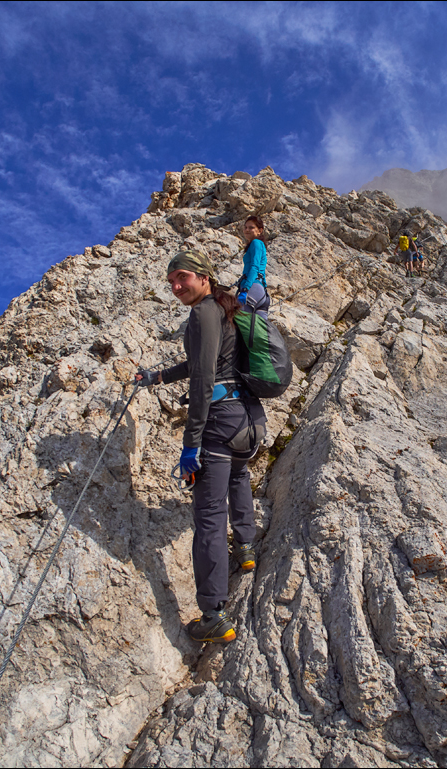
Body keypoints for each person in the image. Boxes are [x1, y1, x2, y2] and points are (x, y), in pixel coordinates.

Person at [136, 249, 266, 644]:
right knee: (239, 474)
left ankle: (213, 613)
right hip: (250, 422)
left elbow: (203, 380)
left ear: (204, 277)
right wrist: (158, 377)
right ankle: (245, 546)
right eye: (171, 281)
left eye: (183, 277)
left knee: (209, 515)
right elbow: (200, 363)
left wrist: (190, 444)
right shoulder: (226, 310)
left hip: (220, 423)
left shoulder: (202, 313)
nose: (176, 287)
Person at [236, 215, 270, 315]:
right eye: (246, 227)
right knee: (257, 328)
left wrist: (245, 289)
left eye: (251, 227)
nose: (247, 230)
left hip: (252, 288)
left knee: (237, 320)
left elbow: (254, 267)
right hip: (261, 292)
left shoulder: (256, 243)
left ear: (260, 230)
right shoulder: (258, 245)